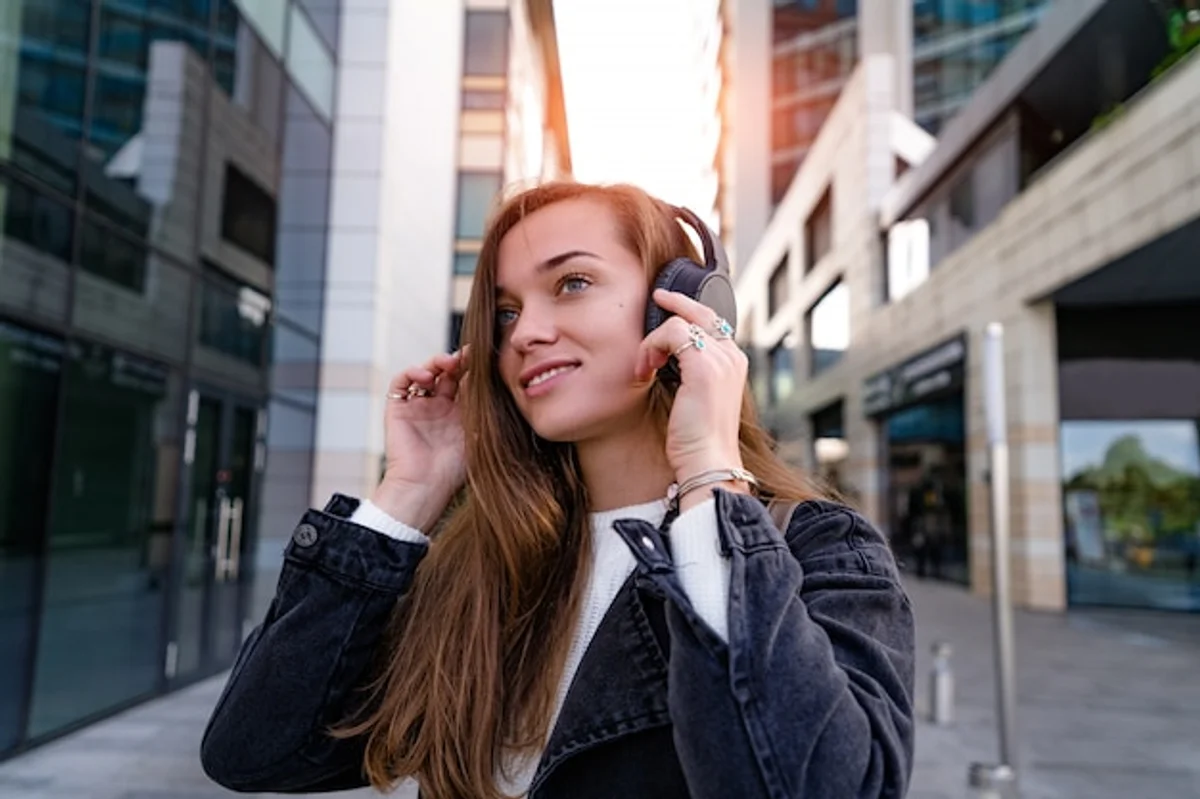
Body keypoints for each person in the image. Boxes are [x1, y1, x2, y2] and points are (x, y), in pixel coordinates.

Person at [200, 182, 915, 799]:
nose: (525, 334)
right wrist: (413, 487)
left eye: (572, 283)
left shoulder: (816, 551)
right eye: (506, 312)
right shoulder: (479, 562)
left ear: (686, 305)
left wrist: (708, 473)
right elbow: (254, 751)